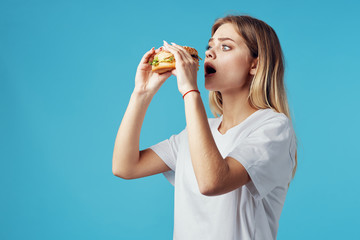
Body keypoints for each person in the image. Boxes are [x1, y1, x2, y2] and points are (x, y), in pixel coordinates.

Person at [112, 14, 298, 240]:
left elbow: (212, 182)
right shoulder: (197, 131)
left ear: (255, 64)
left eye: (226, 47)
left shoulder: (273, 127)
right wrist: (141, 93)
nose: (209, 53)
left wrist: (190, 91)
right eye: (209, 46)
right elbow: (125, 166)